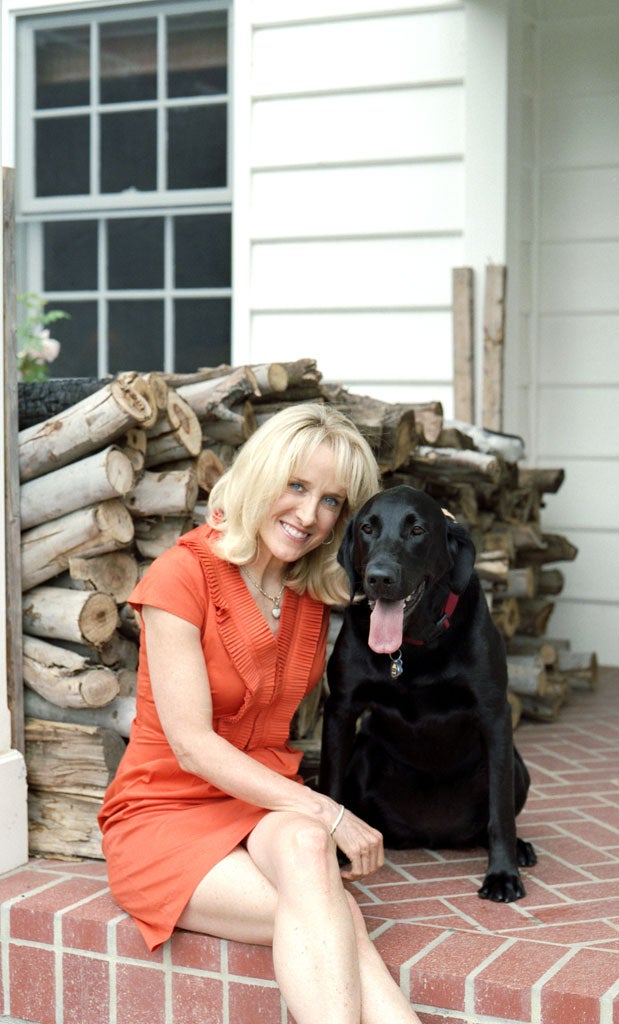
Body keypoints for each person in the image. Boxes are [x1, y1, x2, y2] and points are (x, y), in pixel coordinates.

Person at [98, 402, 422, 1024]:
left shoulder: (308, 593)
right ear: (260, 474)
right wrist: (331, 812)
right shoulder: (182, 576)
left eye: (330, 501)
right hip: (163, 813)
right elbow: (191, 745)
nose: (308, 515)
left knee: (306, 849)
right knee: (336, 912)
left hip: (260, 805)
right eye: (296, 485)